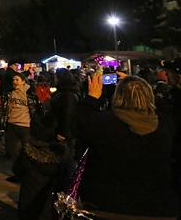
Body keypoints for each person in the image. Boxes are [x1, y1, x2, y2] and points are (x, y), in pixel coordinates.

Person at [76, 73, 180, 219]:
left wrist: (92, 97)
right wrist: (138, 86)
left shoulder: (101, 123)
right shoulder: (165, 125)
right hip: (158, 208)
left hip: (107, 207)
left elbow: (80, 121)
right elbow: (163, 106)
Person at [13, 115, 72, 220]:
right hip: (50, 203)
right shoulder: (62, 155)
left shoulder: (27, 153)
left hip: (28, 200)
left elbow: (17, 170)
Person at [1, 72, 44, 181]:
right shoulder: (9, 93)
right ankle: (18, 173)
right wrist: (2, 123)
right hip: (12, 124)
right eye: (13, 80)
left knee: (28, 151)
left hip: (26, 125)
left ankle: (29, 174)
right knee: (12, 150)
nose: (14, 82)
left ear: (23, 82)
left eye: (17, 80)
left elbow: (37, 109)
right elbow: (4, 109)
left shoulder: (30, 93)